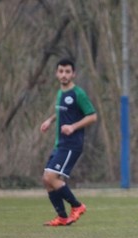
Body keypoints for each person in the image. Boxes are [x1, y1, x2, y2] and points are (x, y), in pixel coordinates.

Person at [40, 58, 98, 227]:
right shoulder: (60, 93)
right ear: (56, 73)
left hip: (72, 144)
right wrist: (49, 121)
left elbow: (92, 116)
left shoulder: (78, 93)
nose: (64, 75)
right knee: (46, 179)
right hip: (61, 143)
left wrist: (73, 127)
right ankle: (62, 217)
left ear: (73, 74)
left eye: (67, 72)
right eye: (61, 71)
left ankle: (78, 206)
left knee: (51, 177)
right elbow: (62, 112)